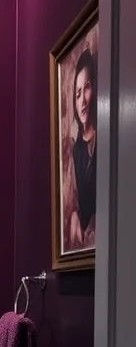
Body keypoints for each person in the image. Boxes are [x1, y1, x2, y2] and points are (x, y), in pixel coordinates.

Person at [68, 47, 97, 251]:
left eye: (87, 88)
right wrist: (74, 215)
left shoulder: (105, 142)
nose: (83, 101)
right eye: (78, 94)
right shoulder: (76, 150)